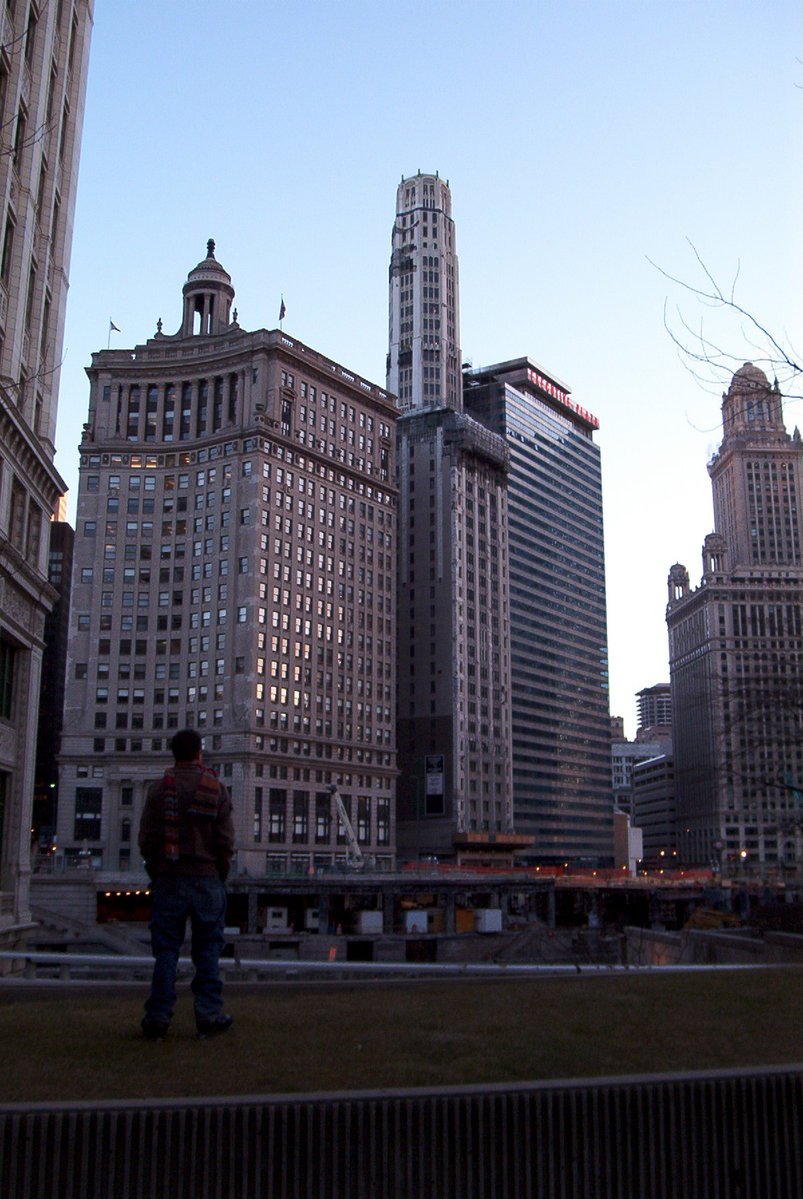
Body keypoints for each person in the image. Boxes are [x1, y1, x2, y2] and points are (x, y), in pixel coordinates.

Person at [138, 728, 235, 1040]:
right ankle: (208, 1015)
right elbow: (225, 841)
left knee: (165, 951)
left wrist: (158, 869)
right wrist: (219, 872)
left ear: (174, 754)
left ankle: (158, 1018)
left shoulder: (158, 789)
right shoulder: (216, 788)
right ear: (199, 754)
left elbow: (147, 839)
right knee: (208, 951)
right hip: (207, 880)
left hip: (170, 878)